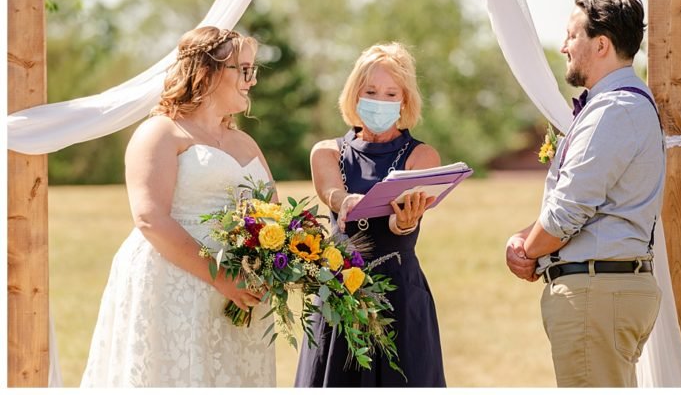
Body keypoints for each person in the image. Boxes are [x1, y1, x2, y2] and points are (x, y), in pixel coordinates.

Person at [81, 27, 276, 386]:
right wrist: (220, 277)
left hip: (241, 292)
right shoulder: (161, 132)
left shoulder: (245, 142)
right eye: (243, 69)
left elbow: (275, 216)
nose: (252, 80)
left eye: (253, 70)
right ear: (209, 70)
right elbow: (149, 217)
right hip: (173, 283)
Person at [504, 0, 664, 387]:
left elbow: (567, 214)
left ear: (601, 44)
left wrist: (526, 251)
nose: (563, 46)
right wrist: (528, 236)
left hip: (596, 293)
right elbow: (582, 205)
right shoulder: (618, 106)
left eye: (571, 35)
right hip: (605, 290)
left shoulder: (614, 110)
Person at [295, 42, 443, 387]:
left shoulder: (422, 156)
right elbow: (331, 192)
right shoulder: (327, 151)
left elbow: (401, 217)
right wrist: (344, 201)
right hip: (340, 286)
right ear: (354, 95)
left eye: (391, 93)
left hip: (401, 290)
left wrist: (403, 224)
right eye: (371, 91)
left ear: (404, 100)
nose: (380, 100)